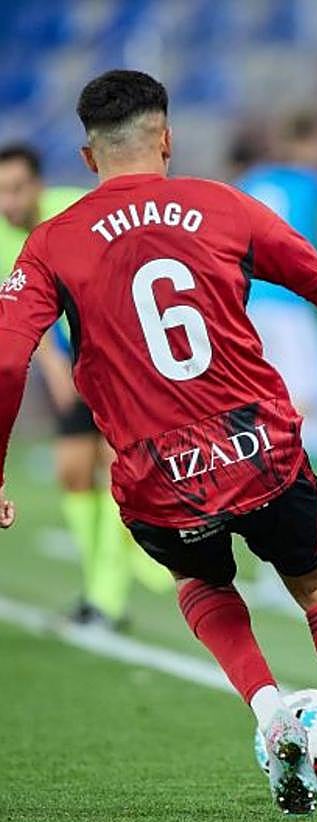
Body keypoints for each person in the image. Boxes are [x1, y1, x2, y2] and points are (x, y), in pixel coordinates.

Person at [0, 70, 317, 819]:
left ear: (86, 158)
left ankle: (271, 712)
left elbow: (10, 358)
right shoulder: (222, 203)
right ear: (167, 138)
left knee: (203, 582)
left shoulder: (50, 243)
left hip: (158, 475)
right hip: (259, 451)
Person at [0, 143, 171, 625]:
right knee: (72, 471)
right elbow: (23, 315)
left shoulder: (76, 211)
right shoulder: (2, 241)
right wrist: (56, 372)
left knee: (117, 470)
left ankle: (105, 596)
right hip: (73, 363)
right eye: (0, 193)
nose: (8, 202)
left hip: (119, 360)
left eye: (16, 189)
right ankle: (113, 571)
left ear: (38, 185)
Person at [236, 109, 317, 464]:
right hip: (289, 301)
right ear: (307, 143)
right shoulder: (312, 185)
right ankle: (292, 458)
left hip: (251, 301)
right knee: (306, 387)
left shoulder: (253, 181)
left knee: (262, 385)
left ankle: (261, 453)